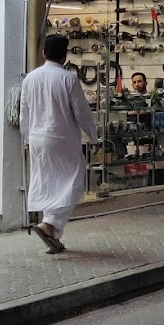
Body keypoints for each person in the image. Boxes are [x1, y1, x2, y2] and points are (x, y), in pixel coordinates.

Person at [20, 34, 99, 254]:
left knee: (48, 182)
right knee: (73, 182)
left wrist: (25, 139)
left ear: (43, 53)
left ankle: (53, 233)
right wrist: (93, 137)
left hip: (37, 139)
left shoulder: (30, 78)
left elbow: (24, 113)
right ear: (64, 56)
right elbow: (82, 112)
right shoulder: (68, 78)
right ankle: (50, 224)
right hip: (61, 138)